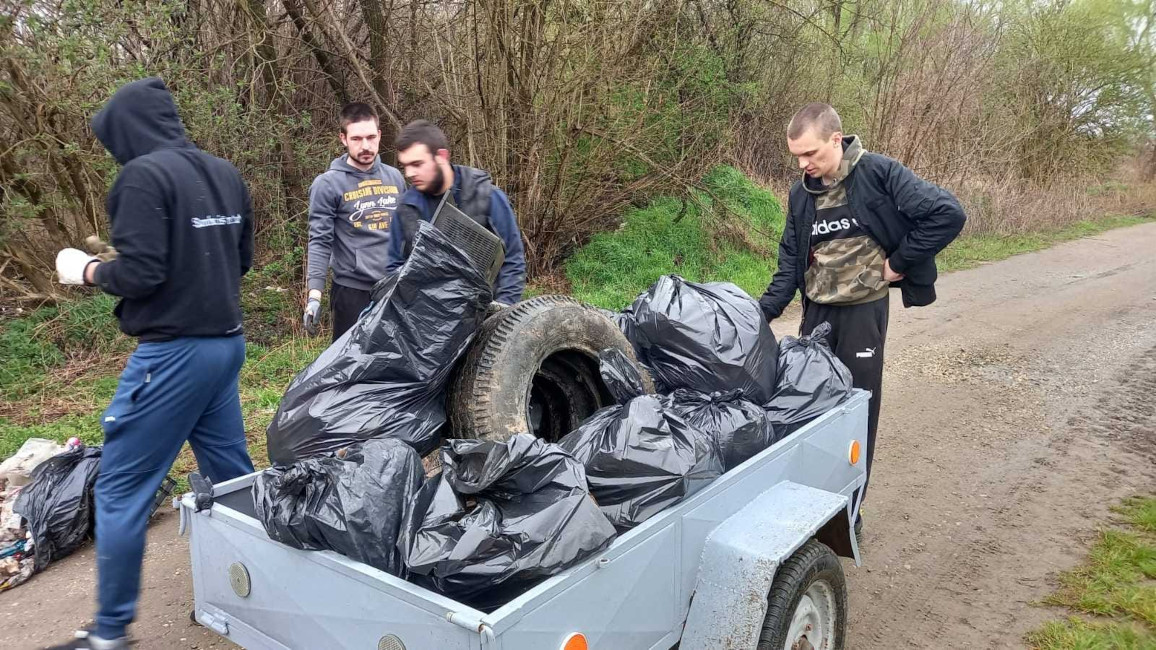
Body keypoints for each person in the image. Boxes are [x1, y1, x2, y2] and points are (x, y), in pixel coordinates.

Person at [49, 77, 256, 650]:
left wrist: (86, 269)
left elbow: (140, 273)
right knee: (235, 480)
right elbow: (242, 261)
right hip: (226, 346)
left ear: (125, 133)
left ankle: (108, 635)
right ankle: (265, 592)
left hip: (172, 356)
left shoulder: (141, 177)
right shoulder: (224, 174)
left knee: (119, 488)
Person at [759, 103, 965, 533]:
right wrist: (762, 314)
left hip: (862, 314)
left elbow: (947, 214)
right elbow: (790, 259)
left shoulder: (879, 174)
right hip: (817, 313)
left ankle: (848, 514)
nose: (803, 164)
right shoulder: (802, 193)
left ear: (837, 139)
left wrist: (898, 263)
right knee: (806, 406)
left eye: (811, 153)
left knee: (855, 411)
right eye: (796, 156)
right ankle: (808, 507)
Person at [385, 120, 526, 304]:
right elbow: (394, 267)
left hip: (485, 312)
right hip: (427, 319)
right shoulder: (406, 208)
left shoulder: (487, 196)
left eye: (417, 164)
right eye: (405, 166)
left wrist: (503, 311)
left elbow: (513, 260)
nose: (409, 173)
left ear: (441, 157)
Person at [304, 102, 406, 340]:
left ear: (380, 135)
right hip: (352, 293)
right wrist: (314, 296)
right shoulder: (327, 184)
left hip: (393, 290)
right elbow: (320, 241)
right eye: (357, 139)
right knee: (350, 371)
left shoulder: (395, 178)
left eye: (371, 137)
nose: (366, 146)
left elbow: (406, 234)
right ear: (343, 139)